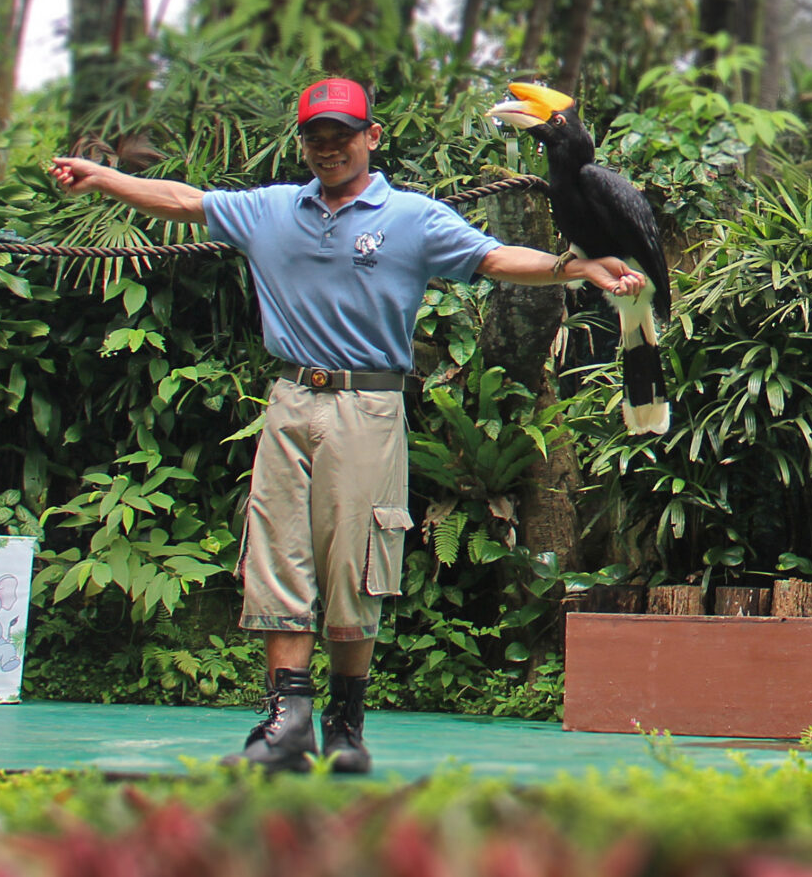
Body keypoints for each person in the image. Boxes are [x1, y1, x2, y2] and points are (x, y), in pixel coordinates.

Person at [51, 76, 644, 774]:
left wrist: (577, 269)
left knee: (359, 562)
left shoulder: (413, 218)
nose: (328, 148)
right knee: (278, 555)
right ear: (303, 143)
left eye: (341, 134)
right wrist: (104, 179)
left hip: (367, 405)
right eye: (316, 136)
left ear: (372, 138)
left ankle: (347, 722)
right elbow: (184, 200)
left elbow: (490, 258)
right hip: (291, 399)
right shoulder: (270, 210)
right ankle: (286, 720)